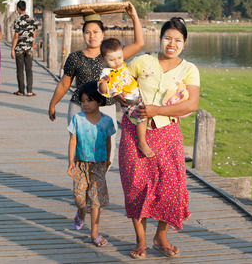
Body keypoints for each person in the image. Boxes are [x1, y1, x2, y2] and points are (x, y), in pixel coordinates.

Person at [117, 17, 199, 259]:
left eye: (177, 40)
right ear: (160, 38)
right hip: (134, 131)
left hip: (168, 134)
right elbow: (117, 81)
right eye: (167, 38)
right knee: (136, 185)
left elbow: (192, 103)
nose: (171, 43)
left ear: (184, 42)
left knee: (171, 186)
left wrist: (155, 110)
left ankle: (161, 235)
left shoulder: (189, 69)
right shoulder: (143, 61)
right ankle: (141, 240)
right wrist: (119, 95)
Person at [48, 2, 144, 165]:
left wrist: (134, 16)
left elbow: (139, 44)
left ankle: (98, 186)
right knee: (80, 148)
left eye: (95, 32)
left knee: (107, 152)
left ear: (102, 33)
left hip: (106, 107)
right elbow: (65, 84)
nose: (91, 36)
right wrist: (52, 104)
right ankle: (81, 187)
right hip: (80, 107)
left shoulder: (113, 56)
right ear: (83, 34)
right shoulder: (75, 57)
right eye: (87, 32)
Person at [67, 81, 116, 247]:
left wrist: (109, 159)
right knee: (79, 196)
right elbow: (73, 140)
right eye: (82, 101)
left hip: (99, 165)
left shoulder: (107, 121)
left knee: (96, 200)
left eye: (89, 100)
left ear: (99, 101)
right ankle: (81, 211)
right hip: (81, 164)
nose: (85, 104)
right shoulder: (77, 119)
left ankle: (94, 233)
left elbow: (109, 141)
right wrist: (70, 162)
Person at [98, 38, 153, 158]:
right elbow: (102, 90)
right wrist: (103, 83)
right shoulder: (106, 72)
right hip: (128, 100)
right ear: (103, 60)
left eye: (119, 58)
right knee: (142, 116)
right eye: (111, 59)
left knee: (149, 110)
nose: (117, 62)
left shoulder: (122, 66)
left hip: (136, 95)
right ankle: (142, 142)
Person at [11, 0, 38, 97]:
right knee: (29, 69)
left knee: (20, 69)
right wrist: (32, 46)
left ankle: (21, 91)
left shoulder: (17, 20)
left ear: (18, 8)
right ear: (25, 8)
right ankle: (30, 91)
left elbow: (16, 36)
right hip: (29, 48)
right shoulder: (32, 20)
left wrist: (12, 48)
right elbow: (34, 35)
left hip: (19, 48)